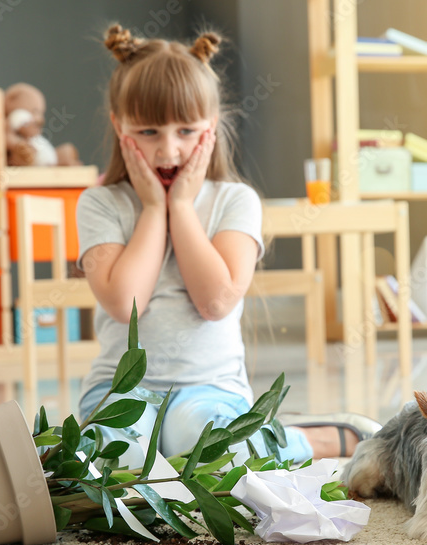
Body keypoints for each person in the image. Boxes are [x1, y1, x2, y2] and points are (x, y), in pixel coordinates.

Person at [76, 24, 380, 467]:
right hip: (117, 389)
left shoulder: (235, 201)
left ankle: (312, 440)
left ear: (211, 128)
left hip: (209, 389)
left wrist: (179, 207)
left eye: (186, 131)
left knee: (217, 455)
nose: (169, 150)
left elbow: (216, 301)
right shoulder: (100, 202)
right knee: (110, 464)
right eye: (147, 133)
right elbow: (127, 305)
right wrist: (151, 210)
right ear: (118, 125)